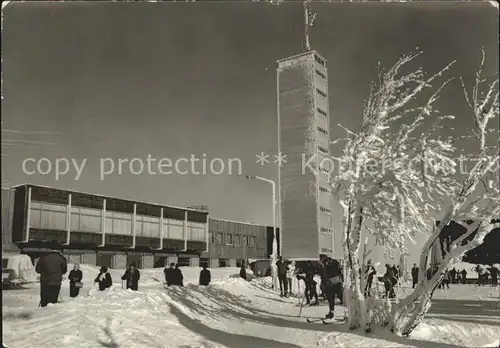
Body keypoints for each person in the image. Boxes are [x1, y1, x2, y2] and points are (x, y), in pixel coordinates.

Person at [35, 240, 68, 307]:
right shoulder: (62, 258)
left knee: (44, 301)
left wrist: (44, 271)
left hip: (45, 282)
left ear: (50, 248)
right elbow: (64, 271)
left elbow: (37, 270)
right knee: (53, 301)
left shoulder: (43, 257)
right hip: (56, 282)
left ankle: (43, 313)